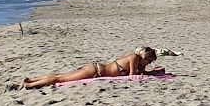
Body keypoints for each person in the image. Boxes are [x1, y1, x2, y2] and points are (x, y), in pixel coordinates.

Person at [21, 46, 177, 89]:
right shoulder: (134, 58)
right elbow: (132, 76)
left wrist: (152, 72)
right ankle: (29, 85)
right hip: (95, 71)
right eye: (149, 62)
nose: (148, 64)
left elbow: (137, 72)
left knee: (60, 75)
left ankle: (32, 79)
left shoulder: (135, 59)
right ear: (145, 58)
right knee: (59, 79)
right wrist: (149, 74)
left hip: (95, 68)